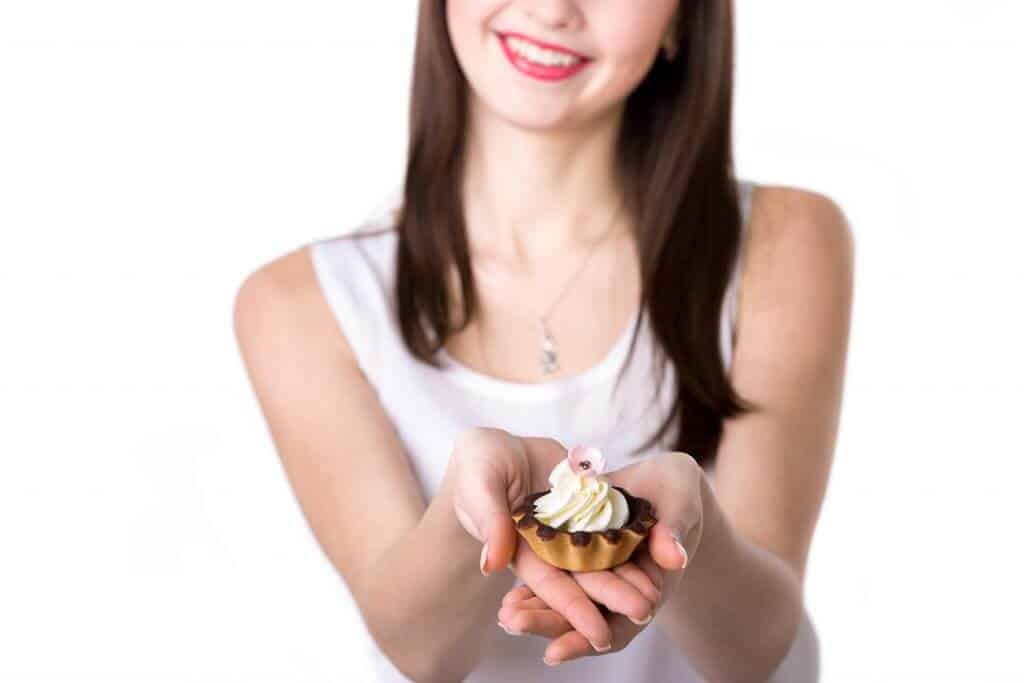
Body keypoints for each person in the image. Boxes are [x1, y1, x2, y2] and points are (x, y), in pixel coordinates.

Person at [233, 1, 852, 681]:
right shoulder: (299, 303)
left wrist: (690, 526)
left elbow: (754, 650)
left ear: (682, 19)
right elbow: (423, 653)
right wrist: (473, 510)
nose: (553, 10)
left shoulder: (787, 240)